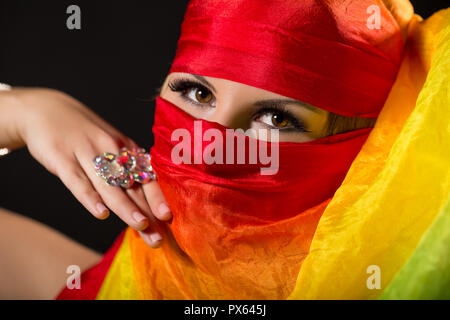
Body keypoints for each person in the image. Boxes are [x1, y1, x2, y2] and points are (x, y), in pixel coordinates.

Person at [1, 0, 449, 299]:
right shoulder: (101, 285)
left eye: (276, 118)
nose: (207, 142)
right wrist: (22, 111)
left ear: (363, 155)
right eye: (197, 94)